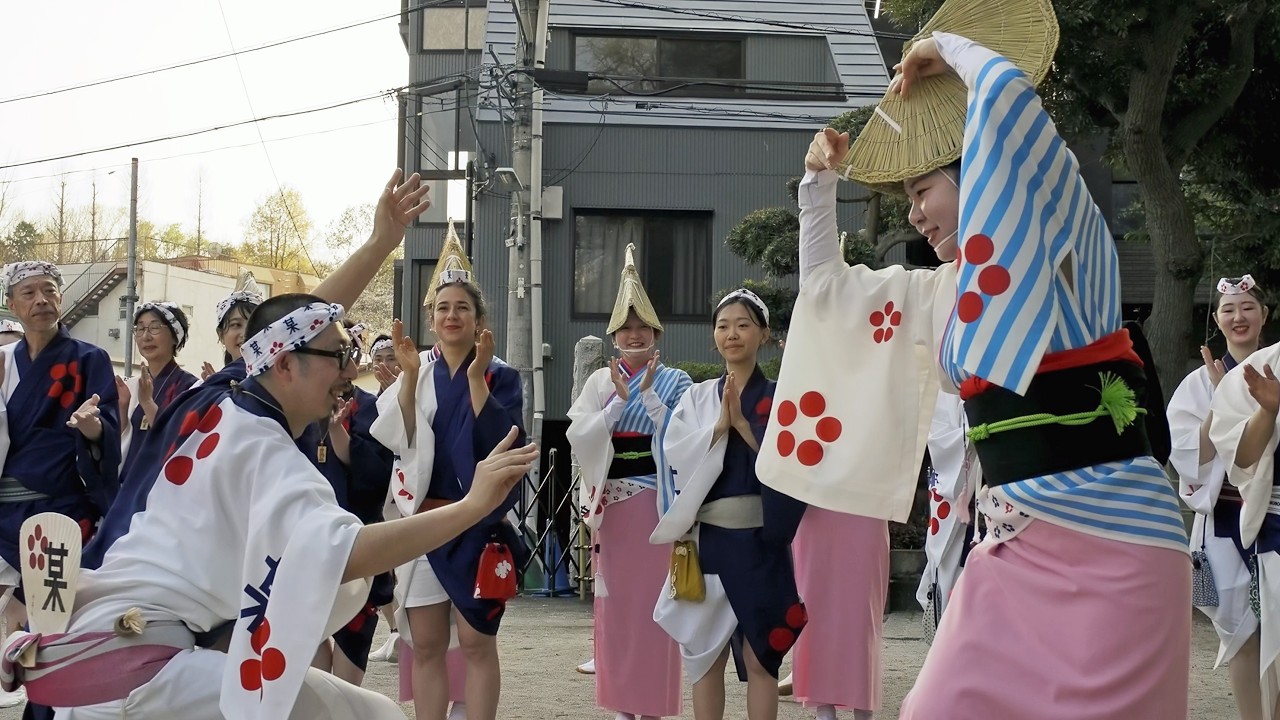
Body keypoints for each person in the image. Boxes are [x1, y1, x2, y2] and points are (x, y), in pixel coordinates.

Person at [755, 5, 1190, 716]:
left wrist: (945, 48)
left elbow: (1011, 104)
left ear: (982, 174)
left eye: (925, 191)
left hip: (1116, 543)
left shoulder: (1060, 244)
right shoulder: (942, 293)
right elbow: (829, 289)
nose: (916, 217)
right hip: (1012, 548)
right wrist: (817, 187)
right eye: (907, 203)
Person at [5, 170, 541, 720]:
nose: (347, 370)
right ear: (285, 365)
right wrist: (472, 506)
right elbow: (348, 554)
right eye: (338, 356)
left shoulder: (213, 399)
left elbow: (297, 324)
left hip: (90, 652)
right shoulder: (270, 454)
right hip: (151, 678)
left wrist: (381, 242)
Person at [371, 222, 525, 720]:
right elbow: (402, 441)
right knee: (428, 644)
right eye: (442, 308)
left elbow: (503, 446)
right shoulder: (417, 373)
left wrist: (477, 378)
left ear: (479, 317)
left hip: (477, 525)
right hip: (425, 524)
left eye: (462, 306)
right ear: (431, 320)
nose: (451, 315)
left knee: (479, 644)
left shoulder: (501, 374)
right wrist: (411, 377)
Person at [651, 289, 806, 720]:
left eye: (742, 325)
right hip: (710, 543)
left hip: (761, 542)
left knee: (762, 658)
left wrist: (743, 426)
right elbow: (674, 453)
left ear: (764, 334)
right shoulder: (698, 397)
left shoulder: (783, 398)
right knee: (705, 658)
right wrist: (719, 429)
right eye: (722, 326)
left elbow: (793, 464)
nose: (731, 334)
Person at [568, 243, 690, 720]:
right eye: (627, 328)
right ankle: (621, 704)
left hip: (657, 504)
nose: (635, 334)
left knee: (658, 607)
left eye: (643, 327)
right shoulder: (601, 382)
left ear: (656, 332)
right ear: (615, 336)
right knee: (617, 606)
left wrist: (651, 400)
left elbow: (685, 440)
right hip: (615, 506)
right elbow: (581, 435)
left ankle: (654, 703)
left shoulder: (676, 380)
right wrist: (617, 404)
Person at [0, 260, 121, 625]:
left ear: (61, 298)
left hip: (59, 509)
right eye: (29, 292)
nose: (41, 300)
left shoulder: (89, 359)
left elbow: (109, 423)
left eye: (49, 290)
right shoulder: (3, 361)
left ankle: (36, 673)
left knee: (44, 617)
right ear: (12, 303)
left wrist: (93, 430)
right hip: (4, 510)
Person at [1196, 276, 1278, 719]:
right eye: (1229, 309)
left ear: (1264, 315)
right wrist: (1216, 394)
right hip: (1227, 522)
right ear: (1217, 319)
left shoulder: (1277, 364)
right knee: (1242, 635)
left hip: (1273, 516)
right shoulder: (1198, 381)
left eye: (1248, 307)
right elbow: (1194, 460)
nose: (1238, 317)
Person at [298, 320, 395, 687]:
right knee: (312, 657)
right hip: (307, 538)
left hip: (353, 537)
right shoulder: (300, 407)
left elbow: (373, 475)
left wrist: (337, 429)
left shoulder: (370, 406)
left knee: (350, 654)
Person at [116, 302, 198, 465]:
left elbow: (181, 442)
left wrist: (147, 404)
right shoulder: (132, 386)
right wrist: (122, 408)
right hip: (129, 482)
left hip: (162, 482)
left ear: (175, 335)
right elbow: (122, 443)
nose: (146, 336)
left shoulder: (191, 387)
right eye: (140, 329)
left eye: (155, 328)